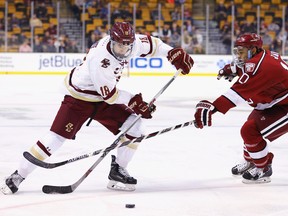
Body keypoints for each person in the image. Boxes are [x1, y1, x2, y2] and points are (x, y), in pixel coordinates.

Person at [0, 22, 194, 194]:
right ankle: (18, 175)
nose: (123, 49)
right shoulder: (100, 58)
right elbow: (110, 96)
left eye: (127, 45)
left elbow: (155, 45)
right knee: (56, 138)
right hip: (79, 99)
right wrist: (135, 101)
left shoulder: (131, 43)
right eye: (119, 45)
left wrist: (171, 52)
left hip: (103, 99)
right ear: (111, 40)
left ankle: (117, 171)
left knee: (137, 129)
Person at [193, 33, 288, 184]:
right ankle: (252, 161)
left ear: (254, 50)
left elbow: (237, 93)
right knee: (249, 128)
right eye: (237, 51)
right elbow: (240, 66)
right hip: (272, 103)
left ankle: (263, 168)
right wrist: (230, 68)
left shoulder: (262, 67)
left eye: (241, 51)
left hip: (284, 106)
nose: (238, 55)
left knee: (250, 130)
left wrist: (212, 108)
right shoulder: (258, 57)